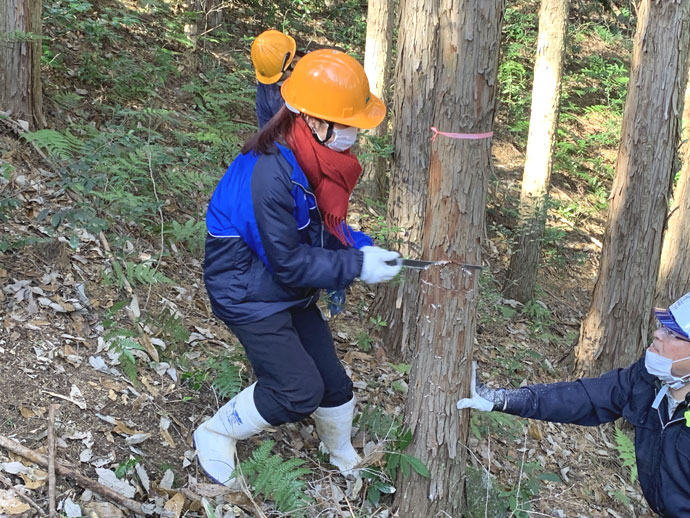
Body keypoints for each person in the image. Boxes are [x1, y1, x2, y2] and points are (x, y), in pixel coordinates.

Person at [194, 49, 402, 488]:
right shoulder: (270, 173)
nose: (353, 136)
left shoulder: (307, 158)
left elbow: (322, 230)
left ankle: (341, 452)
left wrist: (363, 247)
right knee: (298, 391)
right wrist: (356, 265)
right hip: (247, 294)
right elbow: (288, 260)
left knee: (335, 388)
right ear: (313, 120)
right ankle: (214, 432)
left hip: (285, 287)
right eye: (348, 125)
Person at [457, 292, 690, 516]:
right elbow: (585, 397)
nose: (658, 334)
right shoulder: (648, 379)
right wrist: (504, 400)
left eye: (673, 333)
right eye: (662, 326)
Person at [251, 29, 301, 129]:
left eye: (279, 79)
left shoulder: (318, 76)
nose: (277, 84)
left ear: (294, 63)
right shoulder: (266, 86)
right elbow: (265, 128)